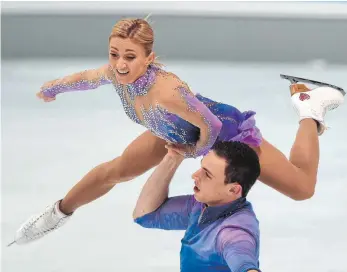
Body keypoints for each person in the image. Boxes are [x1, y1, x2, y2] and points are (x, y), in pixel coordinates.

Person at [9, 17, 344, 246]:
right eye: (114, 54)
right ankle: (58, 212)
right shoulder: (114, 73)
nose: (121, 64)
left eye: (130, 56)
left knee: (301, 188)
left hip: (225, 135)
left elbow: (210, 125)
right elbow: (84, 78)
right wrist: (53, 88)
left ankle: (309, 109)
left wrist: (192, 153)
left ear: (148, 57)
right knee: (118, 170)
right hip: (171, 131)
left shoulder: (167, 91)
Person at [133, 141, 261, 272]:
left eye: (207, 174)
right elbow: (145, 215)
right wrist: (173, 158)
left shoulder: (232, 232)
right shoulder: (202, 205)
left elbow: (243, 260)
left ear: (233, 190)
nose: (195, 175)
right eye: (201, 167)